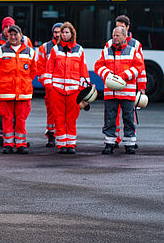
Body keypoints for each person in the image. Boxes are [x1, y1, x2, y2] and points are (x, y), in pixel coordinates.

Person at [95, 26, 144, 155]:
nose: (114, 38)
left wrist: (123, 76)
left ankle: (129, 144)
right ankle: (109, 143)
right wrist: (108, 75)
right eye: (113, 35)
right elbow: (98, 66)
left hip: (127, 93)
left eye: (117, 35)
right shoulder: (106, 51)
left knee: (128, 119)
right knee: (110, 119)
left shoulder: (133, 51)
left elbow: (139, 67)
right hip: (110, 93)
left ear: (124, 36)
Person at [45, 22, 89, 154]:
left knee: (71, 118)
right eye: (63, 32)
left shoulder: (79, 50)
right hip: (57, 91)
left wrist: (83, 90)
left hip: (74, 91)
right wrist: (50, 89)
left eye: (67, 32)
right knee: (59, 118)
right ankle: (61, 145)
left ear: (72, 34)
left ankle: (71, 144)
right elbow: (49, 71)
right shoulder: (55, 50)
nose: (64, 35)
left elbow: (84, 71)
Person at [0, 24, 37, 154]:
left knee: (21, 120)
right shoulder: (0, 51)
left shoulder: (30, 52)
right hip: (6, 93)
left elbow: (33, 72)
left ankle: (21, 144)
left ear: (21, 35)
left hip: (23, 93)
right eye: (10, 34)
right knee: (7, 119)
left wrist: (24, 83)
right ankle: (8, 144)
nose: (12, 36)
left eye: (15, 34)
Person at [0, 17, 28, 147]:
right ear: (3, 28)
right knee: (1, 111)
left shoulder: (25, 41)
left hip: (19, 86)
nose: (8, 30)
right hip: (1, 84)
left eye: (11, 27)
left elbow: (30, 63)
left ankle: (15, 136)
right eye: (6, 27)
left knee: (18, 113)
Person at [105, 15, 146, 148]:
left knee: (129, 116)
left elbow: (141, 67)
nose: (118, 30)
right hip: (112, 90)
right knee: (112, 116)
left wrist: (142, 87)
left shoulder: (136, 45)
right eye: (117, 27)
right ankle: (114, 139)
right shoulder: (109, 45)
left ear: (127, 28)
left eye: (121, 27)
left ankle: (130, 141)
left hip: (128, 88)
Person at [36, 22, 62, 147]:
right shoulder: (45, 48)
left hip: (64, 87)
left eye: (59, 32)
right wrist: (46, 84)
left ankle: (63, 136)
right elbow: (40, 68)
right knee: (51, 112)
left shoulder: (71, 47)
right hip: (51, 88)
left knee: (65, 113)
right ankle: (51, 135)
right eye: (55, 32)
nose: (57, 34)